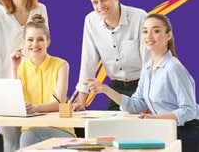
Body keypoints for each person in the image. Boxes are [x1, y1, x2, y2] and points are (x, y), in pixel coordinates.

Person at [85, 14, 199, 152]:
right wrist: (105, 89)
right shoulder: (147, 67)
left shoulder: (173, 68)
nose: (148, 36)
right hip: (164, 128)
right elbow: (135, 104)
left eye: (156, 31)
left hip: (186, 131)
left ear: (168, 35)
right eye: (145, 31)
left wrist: (154, 118)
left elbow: (189, 110)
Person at [0, 0, 48, 151]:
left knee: (32, 140)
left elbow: (43, 44)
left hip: (35, 84)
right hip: (6, 85)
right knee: (10, 142)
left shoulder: (40, 9)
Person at [73, 0, 149, 111]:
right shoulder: (91, 21)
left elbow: (150, 63)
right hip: (117, 89)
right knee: (109, 128)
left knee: (140, 128)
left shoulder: (140, 17)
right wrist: (81, 102)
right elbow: (88, 62)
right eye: (95, 2)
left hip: (143, 86)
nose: (100, 6)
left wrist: (150, 100)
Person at [11, 14, 75, 148]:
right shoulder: (21, 67)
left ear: (48, 42)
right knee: (26, 136)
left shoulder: (61, 65)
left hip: (61, 131)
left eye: (40, 39)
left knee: (28, 137)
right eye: (30, 39)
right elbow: (15, 101)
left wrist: (35, 108)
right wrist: (15, 67)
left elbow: (58, 103)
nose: (35, 44)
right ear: (24, 43)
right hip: (30, 130)